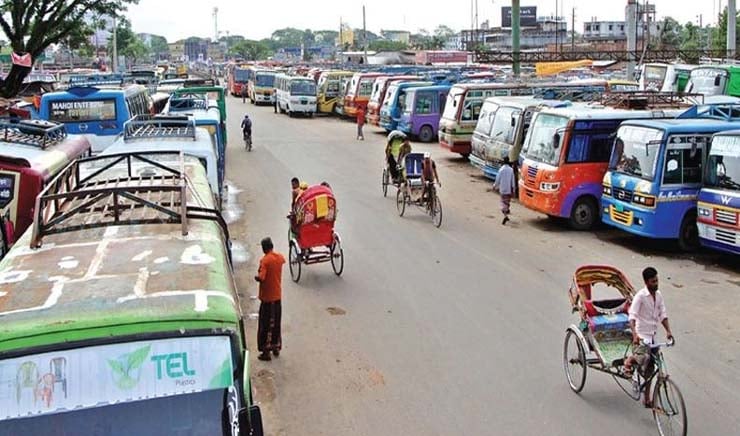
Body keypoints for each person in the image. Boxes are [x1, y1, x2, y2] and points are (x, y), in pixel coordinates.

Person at [623, 267, 674, 408]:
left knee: (651, 369)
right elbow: (632, 317)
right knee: (643, 357)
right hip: (641, 336)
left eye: (657, 280)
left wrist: (668, 331)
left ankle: (647, 399)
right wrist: (635, 335)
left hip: (653, 338)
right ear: (646, 282)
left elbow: (662, 314)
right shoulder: (640, 296)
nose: (656, 283)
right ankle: (629, 361)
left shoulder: (658, 296)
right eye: (653, 281)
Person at [254, 237, 286, 361]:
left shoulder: (264, 261)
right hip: (277, 296)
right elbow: (283, 261)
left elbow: (262, 277)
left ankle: (266, 351)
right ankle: (276, 346)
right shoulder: (279, 257)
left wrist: (256, 277)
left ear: (264, 248)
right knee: (276, 322)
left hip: (267, 298)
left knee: (265, 324)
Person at [493, 156, 516, 225]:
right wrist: (514, 189)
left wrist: (495, 186)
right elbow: (513, 180)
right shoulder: (511, 170)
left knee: (503, 202)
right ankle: (507, 211)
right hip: (509, 189)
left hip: (503, 189)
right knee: (507, 202)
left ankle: (505, 215)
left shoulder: (501, 170)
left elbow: (498, 179)